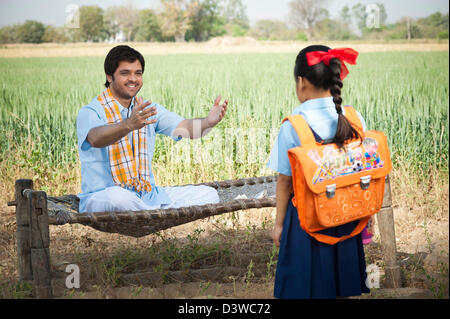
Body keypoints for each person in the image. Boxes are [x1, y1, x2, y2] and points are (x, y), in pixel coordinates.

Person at [267, 45, 371, 299]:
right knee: (341, 282)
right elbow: (363, 172)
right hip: (348, 214)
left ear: (301, 82)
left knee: (302, 285)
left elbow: (284, 181)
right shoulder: (354, 118)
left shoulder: (294, 126)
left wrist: (279, 224)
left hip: (306, 219)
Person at [76, 45, 228, 213]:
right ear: (109, 76)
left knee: (208, 194)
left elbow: (184, 128)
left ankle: (148, 210)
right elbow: (95, 138)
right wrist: (128, 124)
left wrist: (208, 122)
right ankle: (151, 211)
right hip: (102, 197)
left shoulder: (147, 109)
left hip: (146, 194)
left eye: (138, 73)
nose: (133, 79)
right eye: (125, 73)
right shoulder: (90, 111)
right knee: (119, 198)